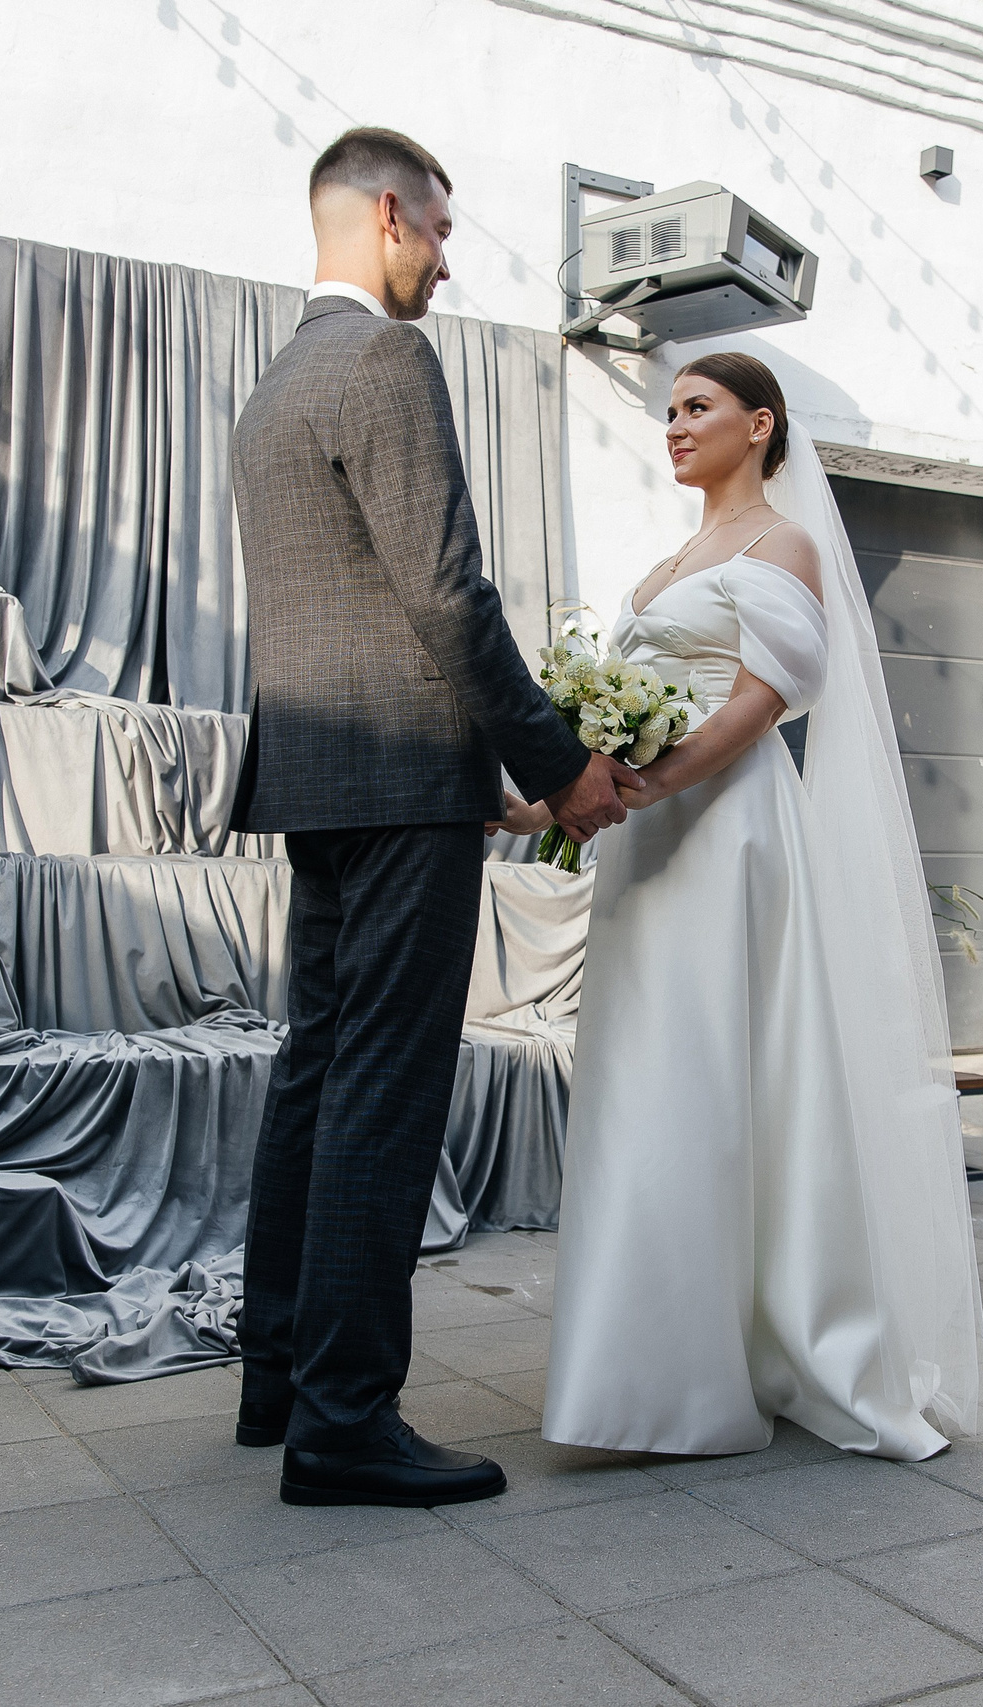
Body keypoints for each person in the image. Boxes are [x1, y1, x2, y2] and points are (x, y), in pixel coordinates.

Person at [229, 127, 637, 1508]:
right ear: (392, 214)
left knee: (317, 1069)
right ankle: (345, 1420)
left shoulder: (273, 385)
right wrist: (562, 763)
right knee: (384, 1089)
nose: (449, 263)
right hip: (405, 784)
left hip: (315, 779)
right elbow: (447, 592)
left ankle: (279, 1376)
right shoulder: (386, 360)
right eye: (445, 232)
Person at [499, 353, 983, 1460]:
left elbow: (760, 702)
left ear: (760, 425)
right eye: (670, 411)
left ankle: (748, 1359)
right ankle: (650, 1367)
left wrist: (643, 787)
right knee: (645, 1076)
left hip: (726, 832)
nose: (675, 426)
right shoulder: (663, 566)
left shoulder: (782, 544)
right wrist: (539, 804)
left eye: (698, 408)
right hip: (647, 843)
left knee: (720, 1070)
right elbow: (608, 729)